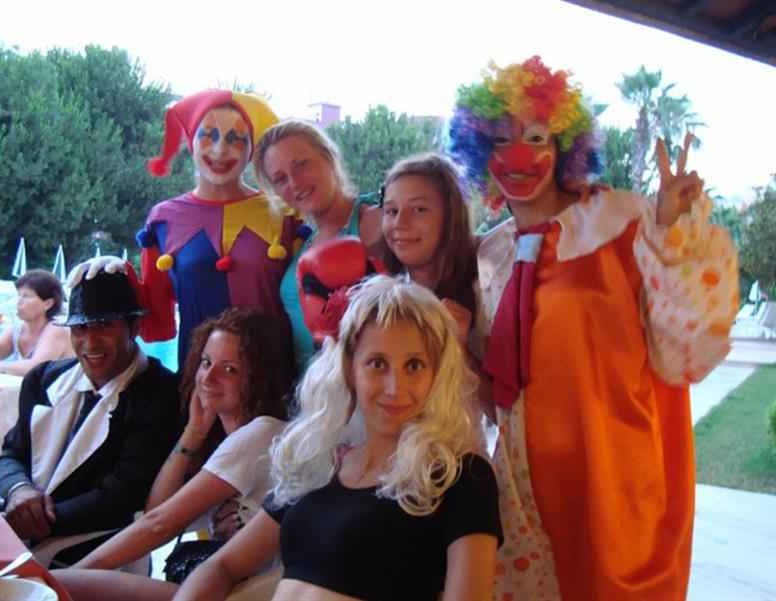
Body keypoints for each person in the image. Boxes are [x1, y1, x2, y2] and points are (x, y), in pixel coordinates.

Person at [448, 56, 739, 600]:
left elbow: (685, 342)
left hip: (613, 477)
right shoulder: (492, 253)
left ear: (565, 147)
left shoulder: (624, 221)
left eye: (536, 137)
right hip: (522, 489)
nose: (518, 156)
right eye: (500, 140)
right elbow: (499, 390)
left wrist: (673, 233)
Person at [172, 275, 503, 601]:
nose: (394, 387)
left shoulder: (460, 477)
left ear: (437, 375)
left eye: (414, 366)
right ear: (349, 369)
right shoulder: (318, 464)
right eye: (377, 364)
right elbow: (223, 566)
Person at [53, 307, 294, 600]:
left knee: (66, 585)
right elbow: (156, 509)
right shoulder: (229, 441)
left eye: (230, 369)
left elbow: (158, 524)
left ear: (258, 378)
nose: (208, 378)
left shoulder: (260, 434)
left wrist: (70, 576)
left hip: (252, 594)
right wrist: (194, 432)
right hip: (228, 590)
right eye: (206, 362)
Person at [71, 90, 299, 368]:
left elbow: (304, 301)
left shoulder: (284, 213)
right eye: (208, 135)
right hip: (200, 378)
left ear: (252, 149)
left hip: (274, 374)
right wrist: (115, 273)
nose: (220, 150)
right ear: (191, 142)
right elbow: (155, 316)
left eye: (235, 138)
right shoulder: (164, 218)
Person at [0, 269, 182, 566]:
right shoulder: (42, 379)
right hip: (24, 536)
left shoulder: (161, 393)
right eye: (80, 328)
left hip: (99, 554)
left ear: (134, 327)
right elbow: (12, 453)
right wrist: (19, 490)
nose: (90, 342)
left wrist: (26, 520)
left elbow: (122, 495)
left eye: (104, 326)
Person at [253, 119, 382, 374]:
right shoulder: (303, 242)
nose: (294, 183)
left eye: (301, 164)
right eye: (280, 179)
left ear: (329, 157)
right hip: (309, 392)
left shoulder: (375, 219)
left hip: (365, 387)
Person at [380, 152, 480, 348]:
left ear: (452, 216)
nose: (399, 223)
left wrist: (457, 347)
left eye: (419, 209)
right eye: (392, 211)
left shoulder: (488, 288)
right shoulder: (382, 298)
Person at [0, 269, 73, 378]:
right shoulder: (18, 330)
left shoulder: (57, 329)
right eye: (18, 295)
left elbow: (37, 368)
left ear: (48, 304)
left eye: (26, 296)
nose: (18, 301)